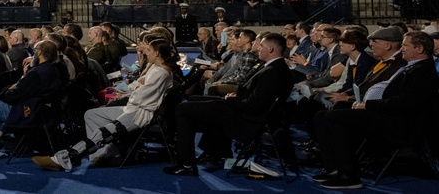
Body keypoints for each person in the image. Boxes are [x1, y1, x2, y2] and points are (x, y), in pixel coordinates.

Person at [313, 31, 439, 189]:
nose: (401, 49)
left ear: (419, 49)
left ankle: (349, 175)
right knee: (321, 115)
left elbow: (405, 104)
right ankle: (333, 168)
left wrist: (369, 105)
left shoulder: (422, 71)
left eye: (405, 45)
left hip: (403, 125)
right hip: (391, 115)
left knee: (334, 117)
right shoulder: (413, 67)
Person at [32, 38, 175, 171]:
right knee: (91, 114)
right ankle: (103, 156)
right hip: (133, 108)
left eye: (149, 51)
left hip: (139, 114)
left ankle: (62, 159)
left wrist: (135, 90)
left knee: (102, 133)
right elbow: (137, 86)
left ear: (157, 53)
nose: (145, 52)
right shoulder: (155, 69)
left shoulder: (162, 73)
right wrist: (134, 90)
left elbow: (142, 96)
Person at [164, 33, 294, 176]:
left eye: (261, 46)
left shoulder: (273, 72)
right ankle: (214, 152)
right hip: (243, 111)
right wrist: (236, 96)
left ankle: (186, 163)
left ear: (271, 49)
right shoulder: (274, 67)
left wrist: (232, 100)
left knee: (182, 109)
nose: (258, 49)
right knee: (194, 99)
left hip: (246, 120)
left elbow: (255, 106)